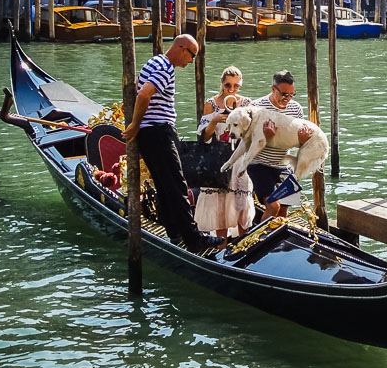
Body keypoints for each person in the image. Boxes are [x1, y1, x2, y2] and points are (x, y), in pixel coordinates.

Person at [122, 35, 224, 252]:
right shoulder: (165, 67)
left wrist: (138, 126)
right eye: (192, 55)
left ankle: (174, 232)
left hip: (150, 134)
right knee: (177, 185)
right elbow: (143, 94)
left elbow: (141, 90)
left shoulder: (154, 61)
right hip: (159, 131)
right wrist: (134, 124)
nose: (191, 61)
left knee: (164, 184)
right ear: (181, 48)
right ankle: (194, 239)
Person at [194, 67, 255, 249]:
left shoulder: (246, 103)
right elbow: (204, 138)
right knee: (220, 206)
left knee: (241, 204)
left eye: (236, 85)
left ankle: (244, 247)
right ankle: (221, 247)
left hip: (239, 160)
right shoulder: (211, 104)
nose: (231, 89)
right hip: (218, 159)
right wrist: (214, 121)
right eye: (228, 85)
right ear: (222, 83)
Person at [247, 70, 313, 221]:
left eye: (291, 95)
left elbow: (298, 143)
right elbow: (246, 141)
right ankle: (262, 240)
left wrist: (302, 140)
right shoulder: (256, 106)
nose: (288, 99)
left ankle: (277, 239)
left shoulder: (296, 109)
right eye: (284, 94)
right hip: (259, 164)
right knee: (273, 206)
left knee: (285, 206)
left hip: (282, 164)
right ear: (273, 89)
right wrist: (264, 137)